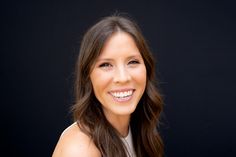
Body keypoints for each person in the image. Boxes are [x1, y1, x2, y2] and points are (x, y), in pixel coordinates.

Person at [52, 15, 164, 157]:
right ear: (88, 77)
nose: (122, 78)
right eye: (105, 65)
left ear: (147, 68)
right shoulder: (80, 149)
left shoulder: (139, 131)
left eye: (133, 62)